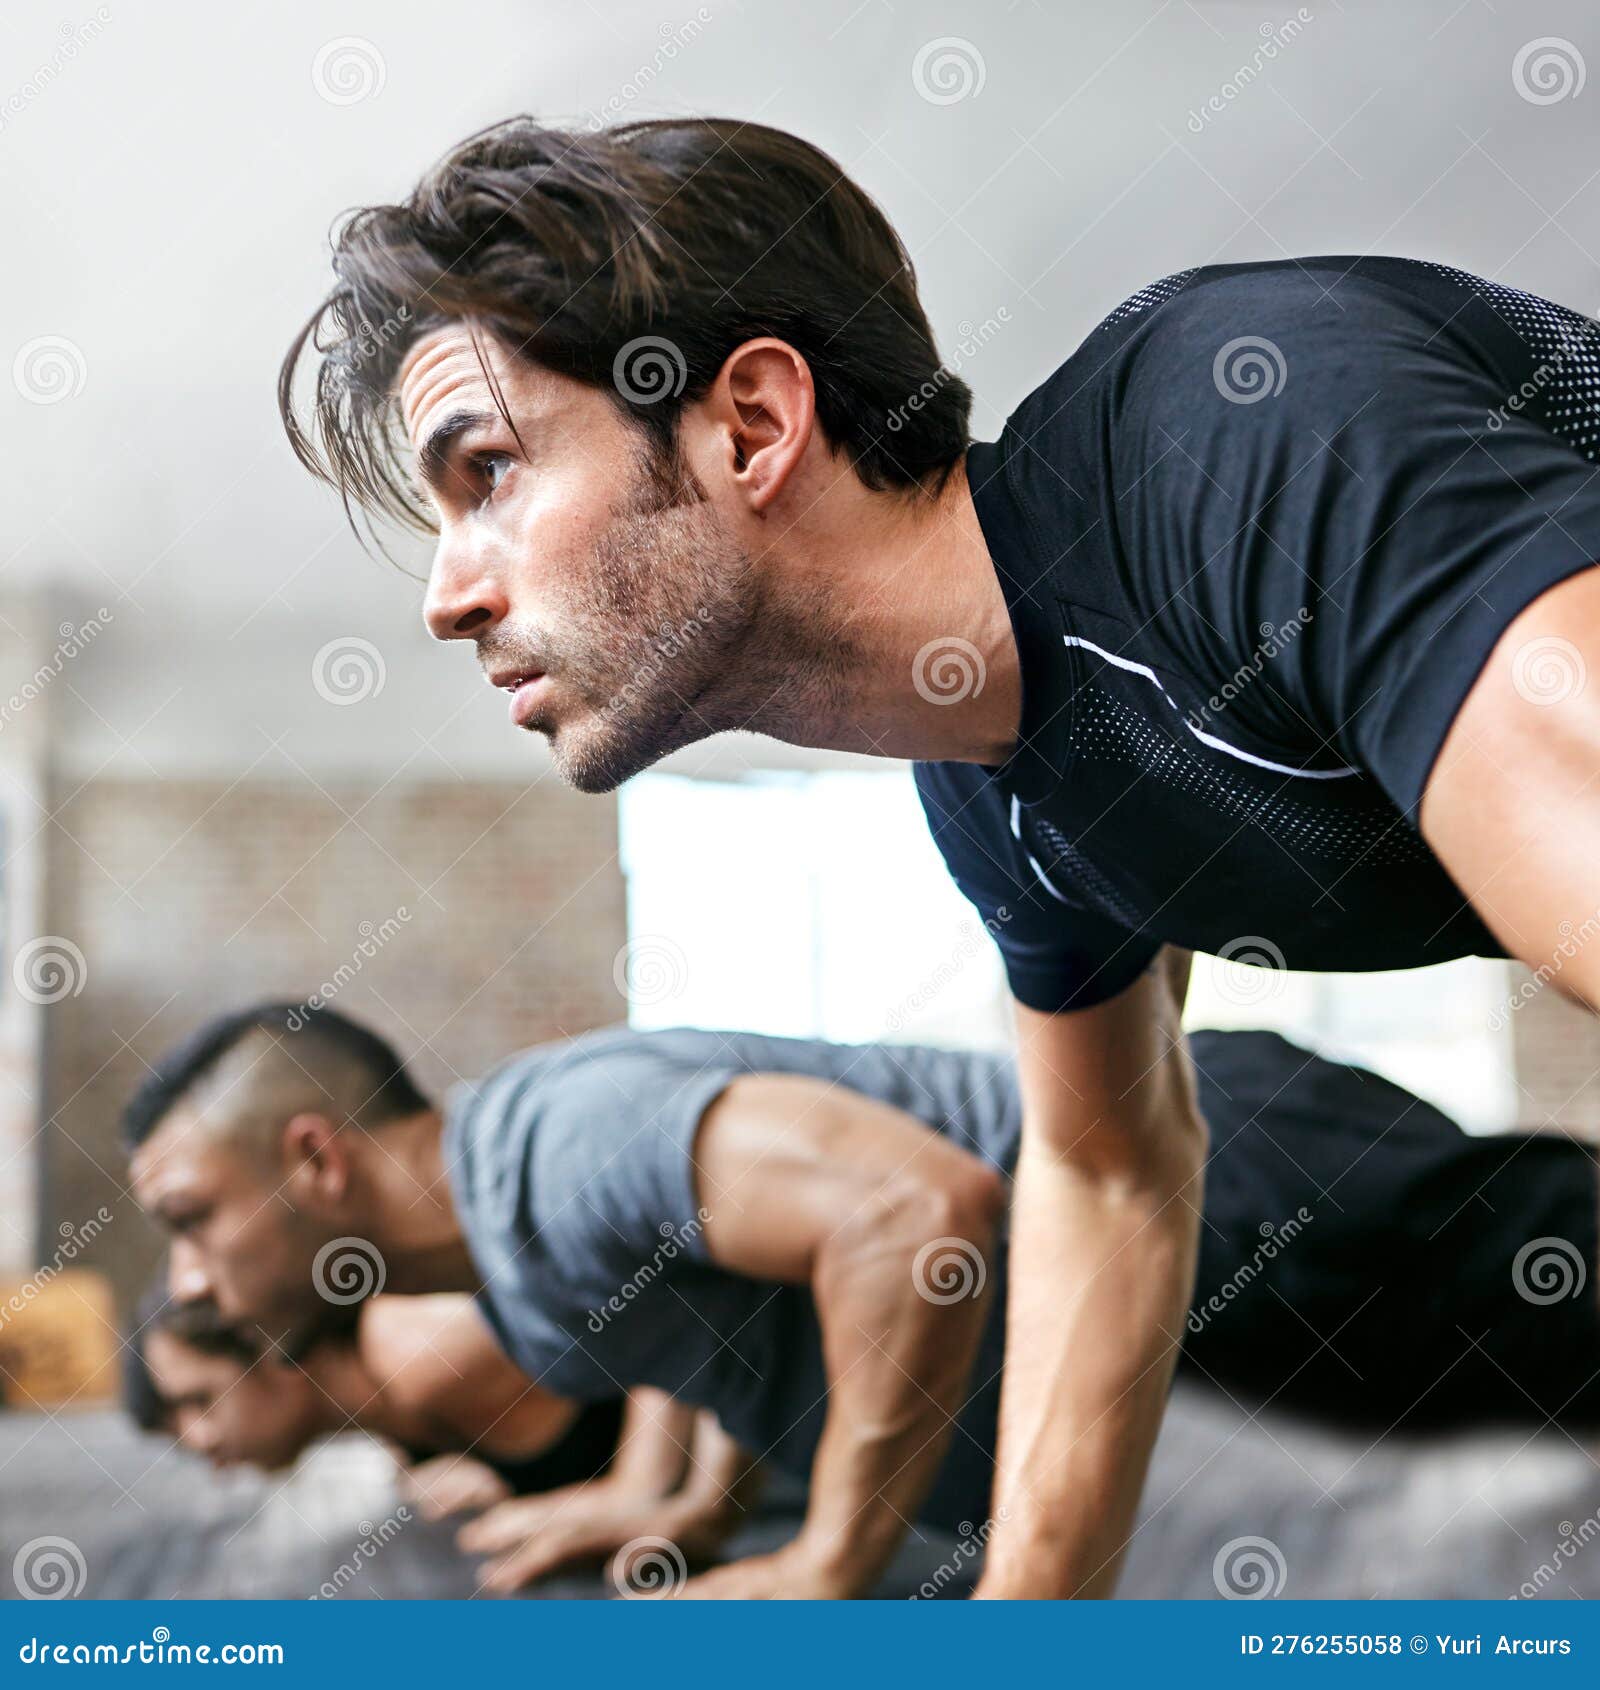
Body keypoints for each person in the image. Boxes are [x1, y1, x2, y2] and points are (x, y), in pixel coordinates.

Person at [276, 116, 1600, 1594]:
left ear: (752, 424)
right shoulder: (991, 782)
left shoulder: (1231, 434)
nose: (446, 596)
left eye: (488, 473)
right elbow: (1107, 1173)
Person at [127, 1002, 1600, 1596]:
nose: (187, 1278)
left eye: (188, 1220)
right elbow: (733, 1323)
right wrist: (692, 1508)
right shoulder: (508, 1267)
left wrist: (833, 1552)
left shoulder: (543, 1154)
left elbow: (913, 1216)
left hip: (1236, 1195)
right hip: (1201, 1305)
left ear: (314, 1158)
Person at [124, 1290, 750, 1586]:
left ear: (270, 1350)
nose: (198, 1441)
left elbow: (676, 1303)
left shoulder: (415, 1347)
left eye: (199, 1401)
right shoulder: (386, 1423)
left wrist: (655, 1488)